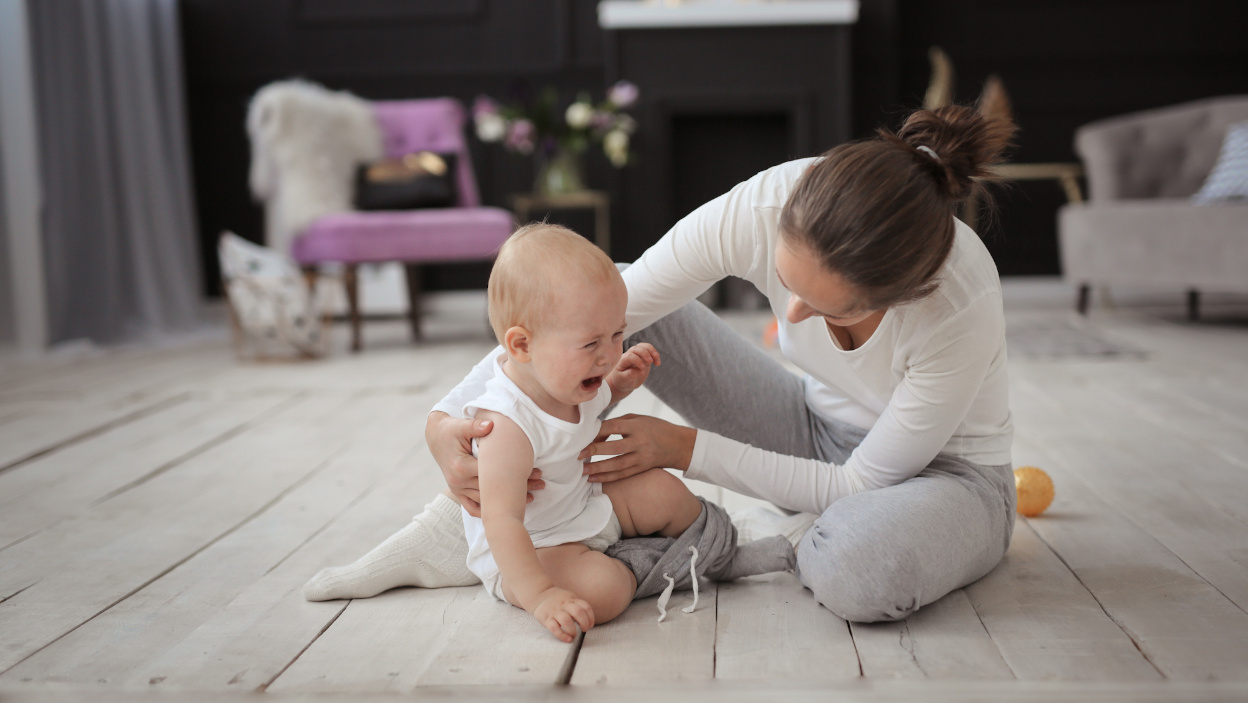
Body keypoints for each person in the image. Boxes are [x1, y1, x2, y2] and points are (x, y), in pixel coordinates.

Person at [305, 96, 1019, 624]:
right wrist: (449, 418)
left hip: (944, 478)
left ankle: (740, 546)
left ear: (904, 292)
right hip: (810, 430)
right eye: (787, 286)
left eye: (830, 309)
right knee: (605, 300)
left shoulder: (957, 300)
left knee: (855, 571)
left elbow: (861, 479)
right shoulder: (766, 205)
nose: (793, 316)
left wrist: (685, 447)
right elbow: (593, 309)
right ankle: (472, 525)